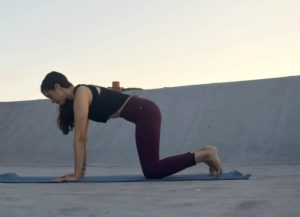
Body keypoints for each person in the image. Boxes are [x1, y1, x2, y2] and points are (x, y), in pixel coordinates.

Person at [40, 71, 222, 182]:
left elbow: (79, 139)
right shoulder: (80, 95)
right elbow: (83, 137)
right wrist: (80, 173)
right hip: (144, 113)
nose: (52, 101)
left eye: (50, 96)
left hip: (146, 112)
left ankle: (205, 154)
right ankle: (204, 152)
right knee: (152, 168)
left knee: (152, 171)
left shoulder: (81, 94)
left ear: (58, 86)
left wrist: (75, 174)